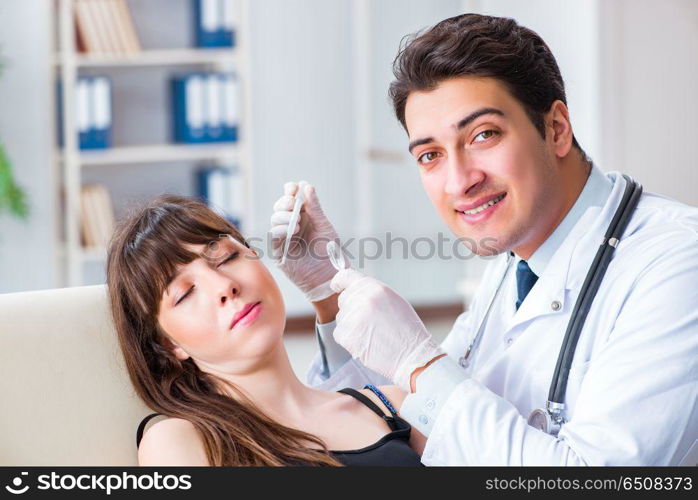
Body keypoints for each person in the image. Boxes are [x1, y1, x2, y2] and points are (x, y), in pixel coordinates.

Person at [269, 13, 698, 465]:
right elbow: (404, 427)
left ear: (555, 129)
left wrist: (419, 362)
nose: (459, 182)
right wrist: (329, 293)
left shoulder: (676, 262)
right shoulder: (515, 259)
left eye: (483, 135)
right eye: (430, 155)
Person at [106, 194, 425, 466]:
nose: (225, 286)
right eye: (185, 293)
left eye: (227, 257)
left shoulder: (392, 405)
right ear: (167, 344)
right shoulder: (180, 441)